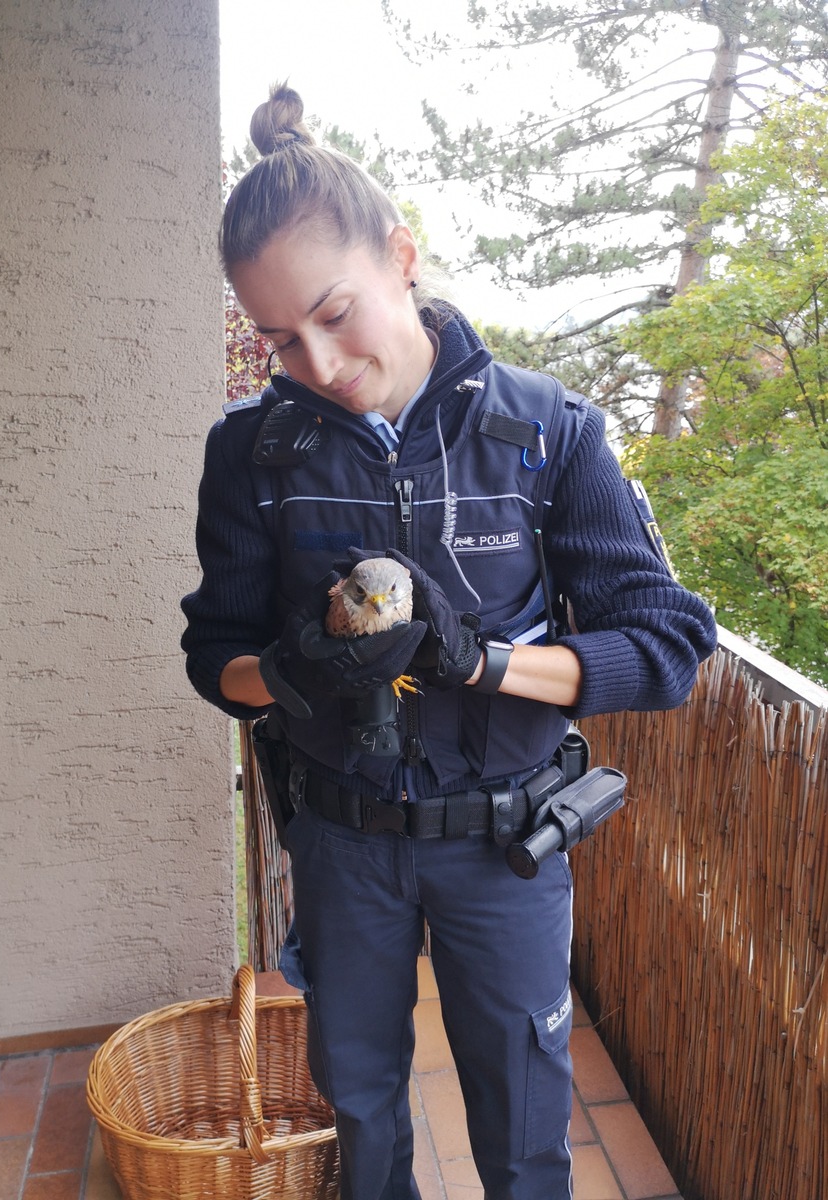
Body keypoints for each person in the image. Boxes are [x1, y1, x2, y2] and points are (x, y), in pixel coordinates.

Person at [181, 83, 717, 1200]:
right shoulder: (252, 454)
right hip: (341, 843)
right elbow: (214, 659)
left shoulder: (545, 432)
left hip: (505, 846)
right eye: (277, 338)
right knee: (361, 1108)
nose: (315, 364)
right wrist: (283, 674)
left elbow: (666, 648)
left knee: (523, 1124)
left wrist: (484, 662)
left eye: (334, 314)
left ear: (401, 257)